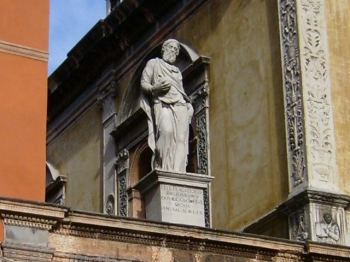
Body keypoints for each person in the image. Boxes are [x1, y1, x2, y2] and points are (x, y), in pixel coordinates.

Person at [140, 39, 193, 172]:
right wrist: (155, 88)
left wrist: (188, 105)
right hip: (162, 104)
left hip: (180, 105)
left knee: (181, 139)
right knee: (166, 132)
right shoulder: (154, 63)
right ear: (163, 48)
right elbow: (143, 83)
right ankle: (164, 169)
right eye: (171, 47)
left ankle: (178, 171)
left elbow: (181, 92)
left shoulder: (177, 71)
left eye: (176, 50)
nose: (173, 51)